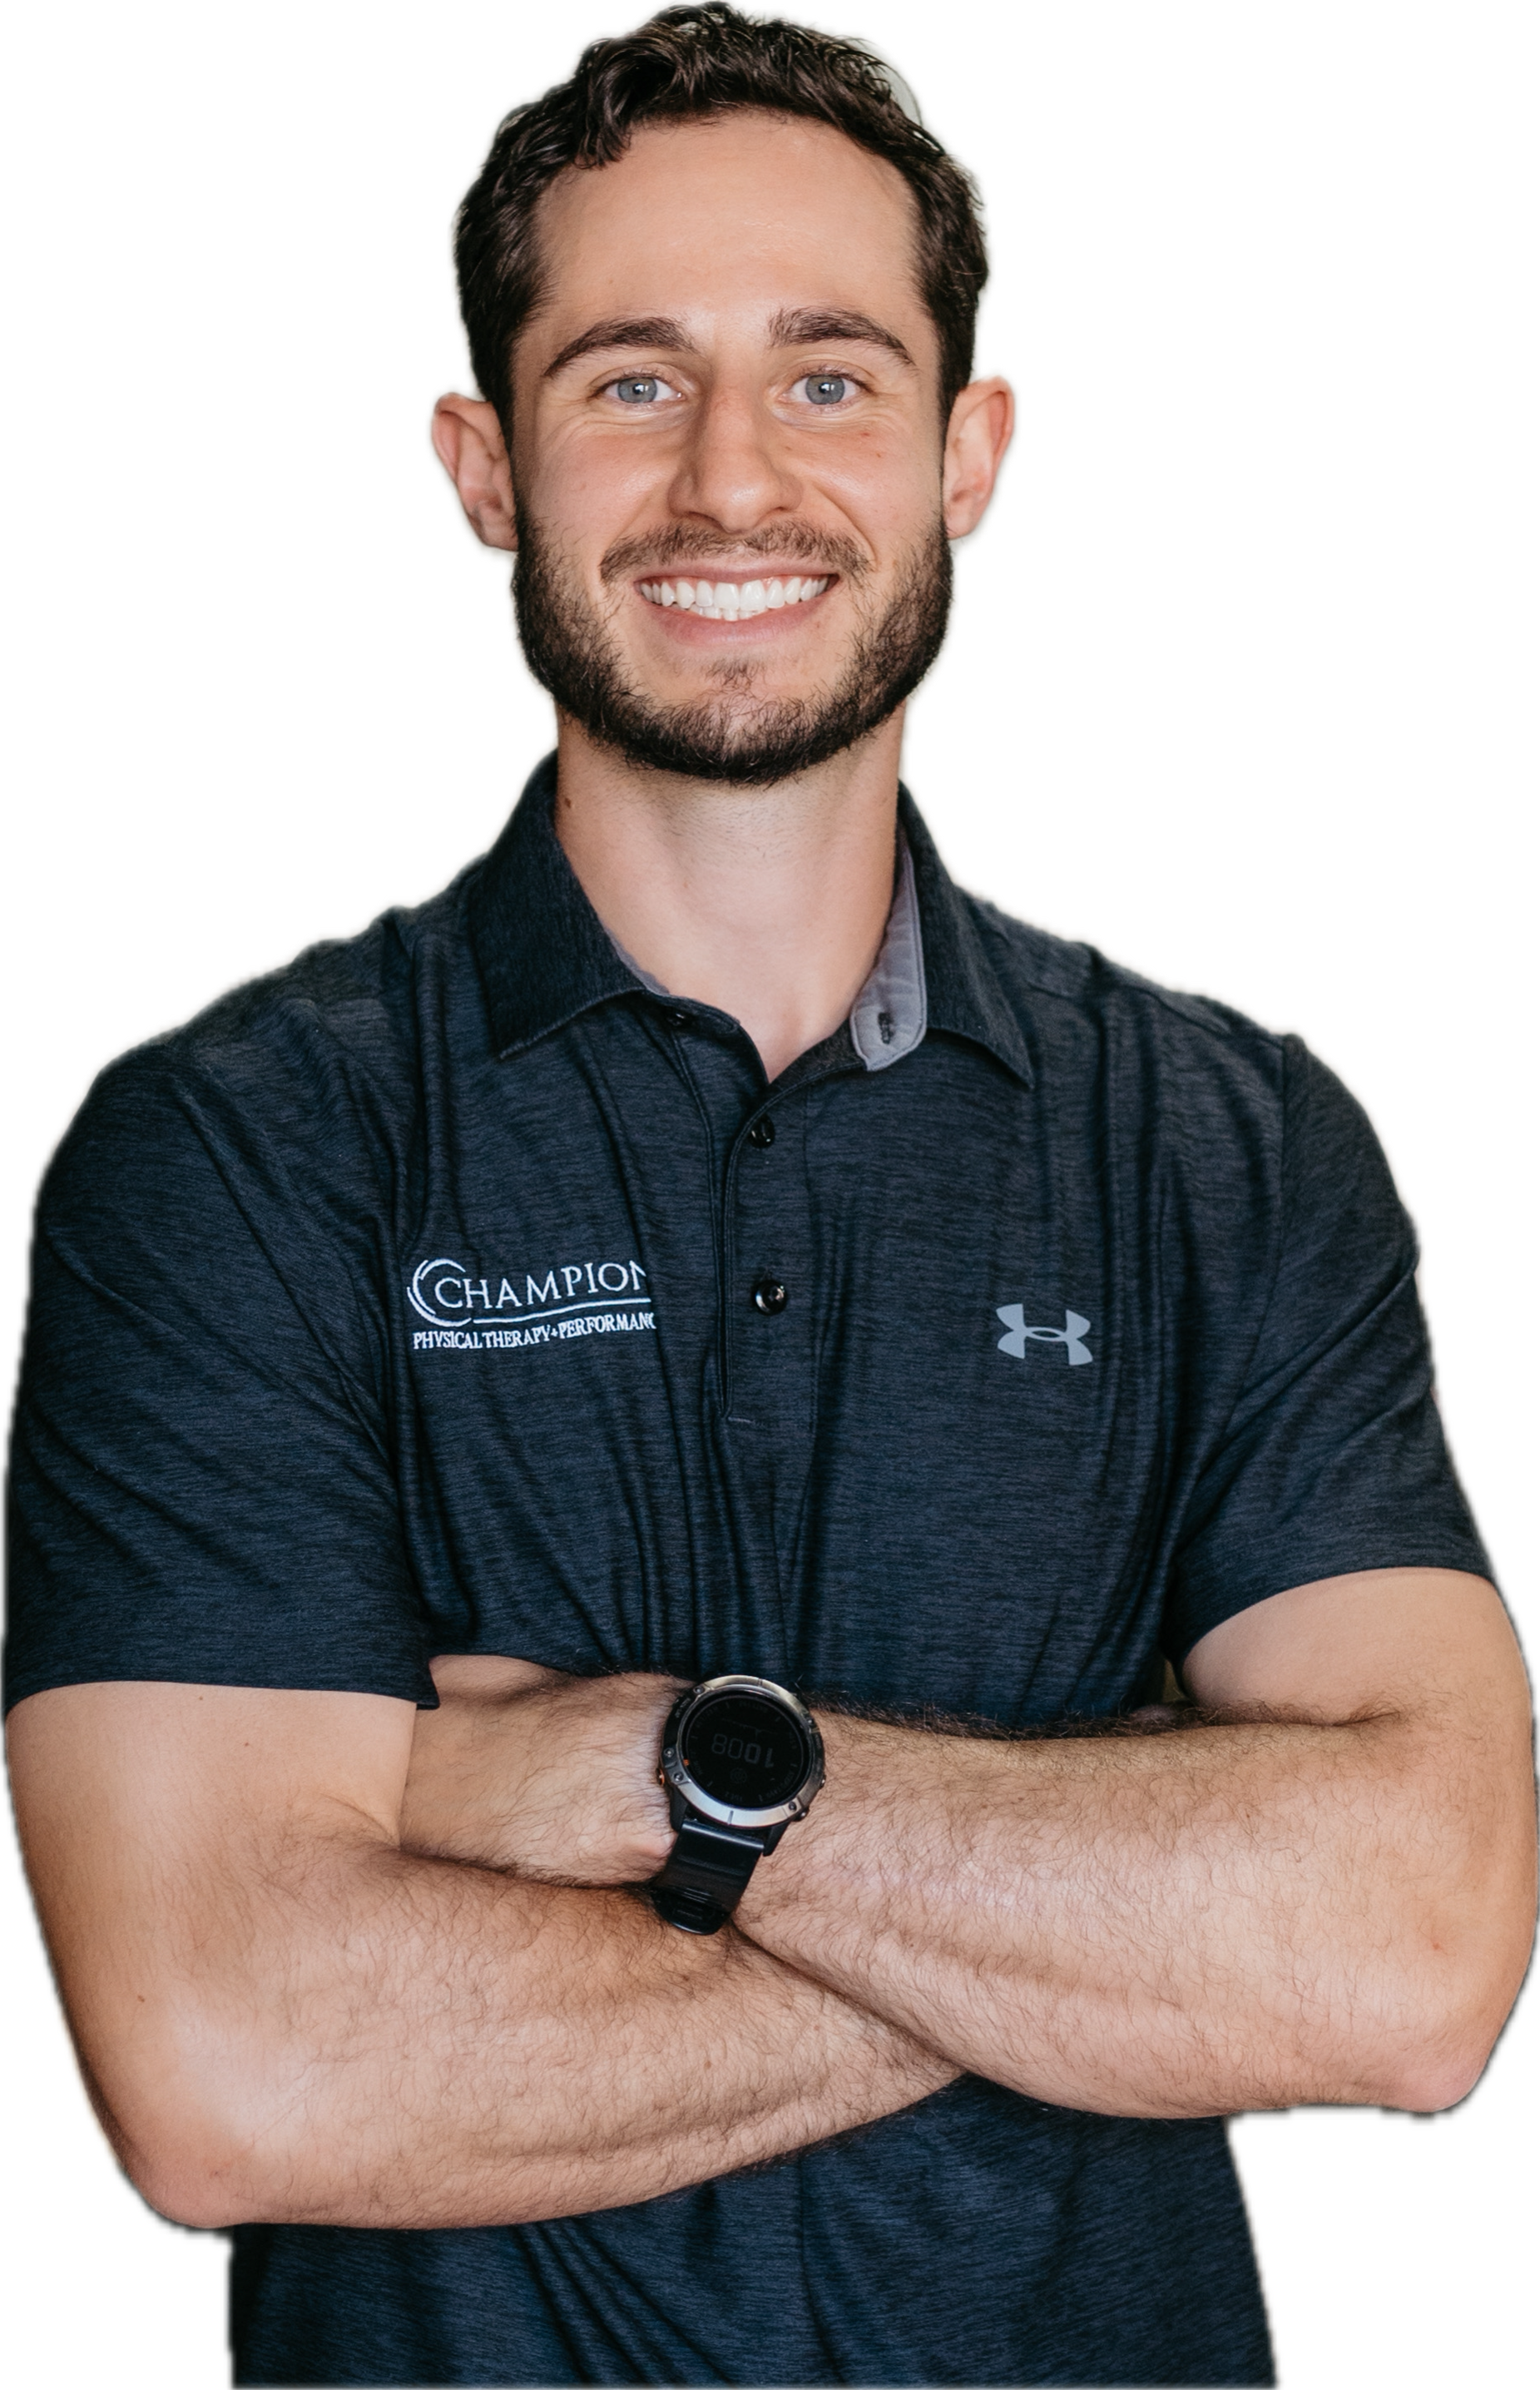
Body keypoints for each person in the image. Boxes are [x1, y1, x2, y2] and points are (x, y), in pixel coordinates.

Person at [4, 6, 1535, 2385]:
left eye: (830, 377)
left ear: (971, 452)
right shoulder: (228, 1147)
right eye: (631, 379)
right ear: (480, 467)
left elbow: (1416, 1965)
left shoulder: (1241, 1143)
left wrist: (653, 1783)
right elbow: (230, 2069)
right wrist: (1131, 1910)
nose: (735, 478)